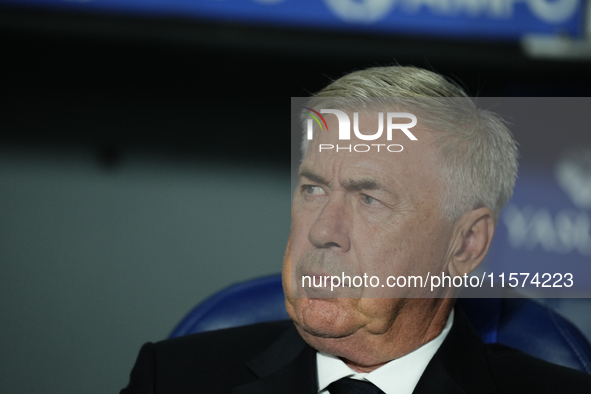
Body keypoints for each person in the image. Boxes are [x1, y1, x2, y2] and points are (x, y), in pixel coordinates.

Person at [120, 66, 591, 394]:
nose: (324, 231)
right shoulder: (172, 378)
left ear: (465, 244)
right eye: (313, 189)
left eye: (370, 198)